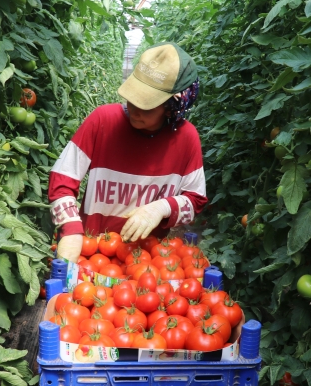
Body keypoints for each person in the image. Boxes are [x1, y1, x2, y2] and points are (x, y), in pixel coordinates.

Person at [48, 42, 207, 262]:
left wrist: (162, 208)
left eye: (147, 105)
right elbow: (62, 179)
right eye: (133, 98)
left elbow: (195, 200)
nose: (134, 109)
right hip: (92, 252)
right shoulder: (102, 120)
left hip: (147, 262)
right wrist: (71, 227)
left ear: (172, 106)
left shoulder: (186, 139)